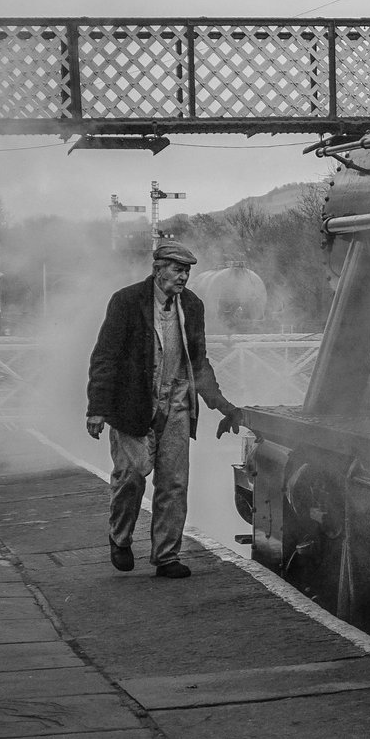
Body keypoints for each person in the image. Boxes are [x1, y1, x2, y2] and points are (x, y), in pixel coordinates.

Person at [86, 241, 244, 578]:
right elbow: (105, 357)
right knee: (130, 477)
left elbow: (198, 363)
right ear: (158, 270)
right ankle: (120, 536)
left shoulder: (192, 306)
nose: (184, 275)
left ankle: (167, 556)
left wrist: (222, 405)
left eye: (187, 270)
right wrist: (97, 408)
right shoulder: (127, 301)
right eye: (177, 269)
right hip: (134, 404)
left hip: (176, 404)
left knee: (173, 483)